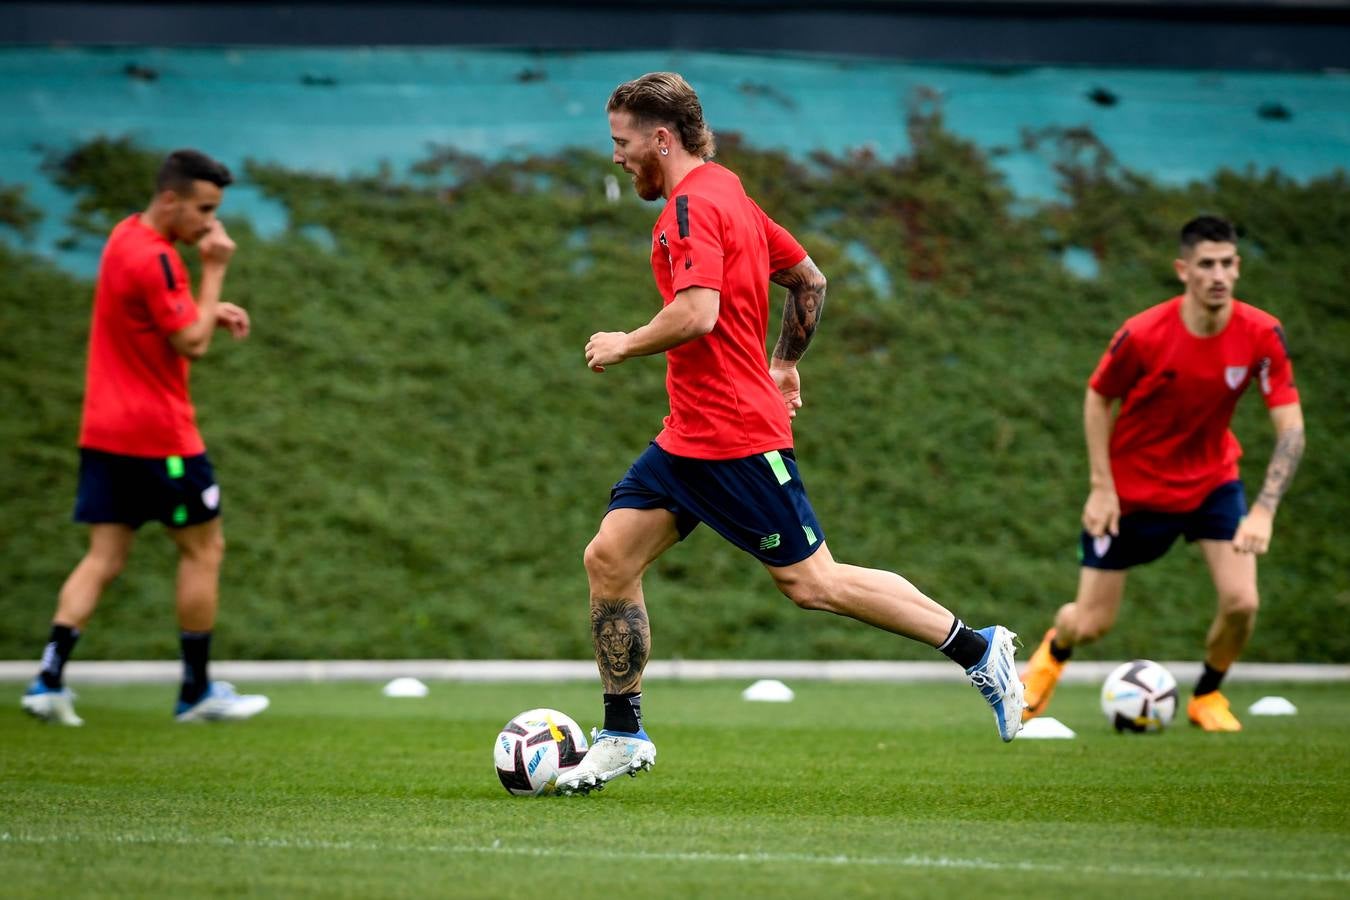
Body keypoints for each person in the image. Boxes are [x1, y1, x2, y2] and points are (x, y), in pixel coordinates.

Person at [557, 72, 1024, 795]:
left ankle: (978, 648)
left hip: (737, 438)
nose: (615, 158)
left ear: (660, 138)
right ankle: (623, 732)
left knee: (813, 583)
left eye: (621, 143)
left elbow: (697, 313)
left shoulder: (689, 208)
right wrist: (784, 365)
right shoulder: (730, 193)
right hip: (690, 436)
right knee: (609, 558)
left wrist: (624, 342)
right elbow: (810, 280)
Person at [1020, 215, 1305, 732]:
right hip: (1132, 493)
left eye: (1226, 263)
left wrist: (1263, 509)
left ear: (1237, 267)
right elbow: (1098, 396)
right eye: (1206, 264)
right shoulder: (1144, 334)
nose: (1218, 274)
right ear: (1184, 270)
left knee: (1243, 602)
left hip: (1213, 483)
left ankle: (1207, 697)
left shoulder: (1262, 334)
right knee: (1091, 623)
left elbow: (1291, 430)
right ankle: (1051, 654)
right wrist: (1102, 488)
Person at [21, 149, 269, 726]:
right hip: (160, 438)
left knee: (104, 556)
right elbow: (191, 343)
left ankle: (48, 680)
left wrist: (208, 307)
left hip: (104, 432)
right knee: (204, 549)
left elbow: (162, 319)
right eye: (204, 210)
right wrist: (214, 272)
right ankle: (196, 692)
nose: (209, 224)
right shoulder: (160, 260)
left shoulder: (122, 237)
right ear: (170, 200)